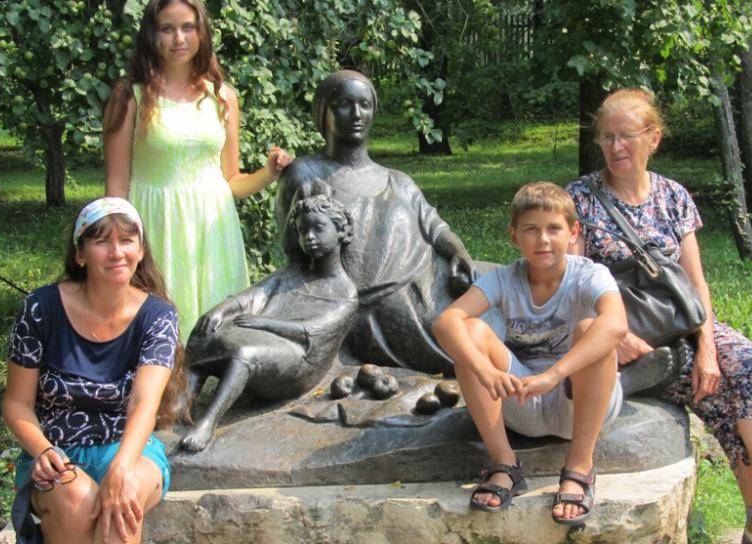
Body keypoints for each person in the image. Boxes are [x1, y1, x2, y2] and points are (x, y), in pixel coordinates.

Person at [566, 88, 752, 544]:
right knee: (722, 396)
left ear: (653, 138)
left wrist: (708, 346)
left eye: (626, 136)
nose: (615, 146)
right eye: (606, 137)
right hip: (624, 335)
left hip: (684, 323)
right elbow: (572, 283)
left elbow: (694, 282)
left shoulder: (673, 196)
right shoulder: (580, 198)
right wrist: (613, 334)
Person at [2, 197, 181, 544]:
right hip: (55, 449)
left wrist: (123, 466)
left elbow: (145, 403)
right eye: (102, 241)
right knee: (79, 500)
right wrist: (42, 450)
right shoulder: (42, 307)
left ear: (140, 250)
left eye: (127, 240)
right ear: (80, 253)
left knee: (129, 494)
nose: (116, 251)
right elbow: (16, 404)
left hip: (128, 444)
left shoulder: (157, 315)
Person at [433, 182, 627, 525]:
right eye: (531, 230)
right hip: (521, 398)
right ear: (514, 236)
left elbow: (616, 324)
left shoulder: (589, 275)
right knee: (471, 332)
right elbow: (445, 322)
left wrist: (553, 375)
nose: (543, 240)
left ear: (573, 232)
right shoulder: (504, 278)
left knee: (591, 329)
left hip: (577, 400)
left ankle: (579, 467)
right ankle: (504, 464)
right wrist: (485, 371)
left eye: (554, 229)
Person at [103, 0, 292, 340]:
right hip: (156, 226)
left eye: (188, 27)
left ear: (201, 33)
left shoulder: (222, 97)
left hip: (213, 230)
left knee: (217, 335)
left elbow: (231, 181)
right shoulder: (129, 96)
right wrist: (120, 243)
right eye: (167, 28)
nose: (179, 38)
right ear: (151, 35)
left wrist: (269, 173)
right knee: (158, 333)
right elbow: (115, 189)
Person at [275, 69, 475, 374]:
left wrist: (458, 251)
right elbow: (294, 256)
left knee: (503, 294)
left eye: (365, 105)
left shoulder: (399, 181)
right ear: (324, 112)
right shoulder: (304, 175)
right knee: (471, 341)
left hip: (429, 286)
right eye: (344, 104)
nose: (357, 114)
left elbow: (436, 228)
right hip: (370, 312)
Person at [179, 192, 359, 452]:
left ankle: (207, 423)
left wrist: (263, 324)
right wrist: (220, 310)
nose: (309, 237)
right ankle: (182, 406)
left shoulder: (345, 293)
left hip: (299, 363)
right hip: (263, 337)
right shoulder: (291, 273)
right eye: (303, 231)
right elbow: (252, 296)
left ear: (340, 231)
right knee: (204, 332)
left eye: (318, 229)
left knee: (246, 353)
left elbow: (310, 331)